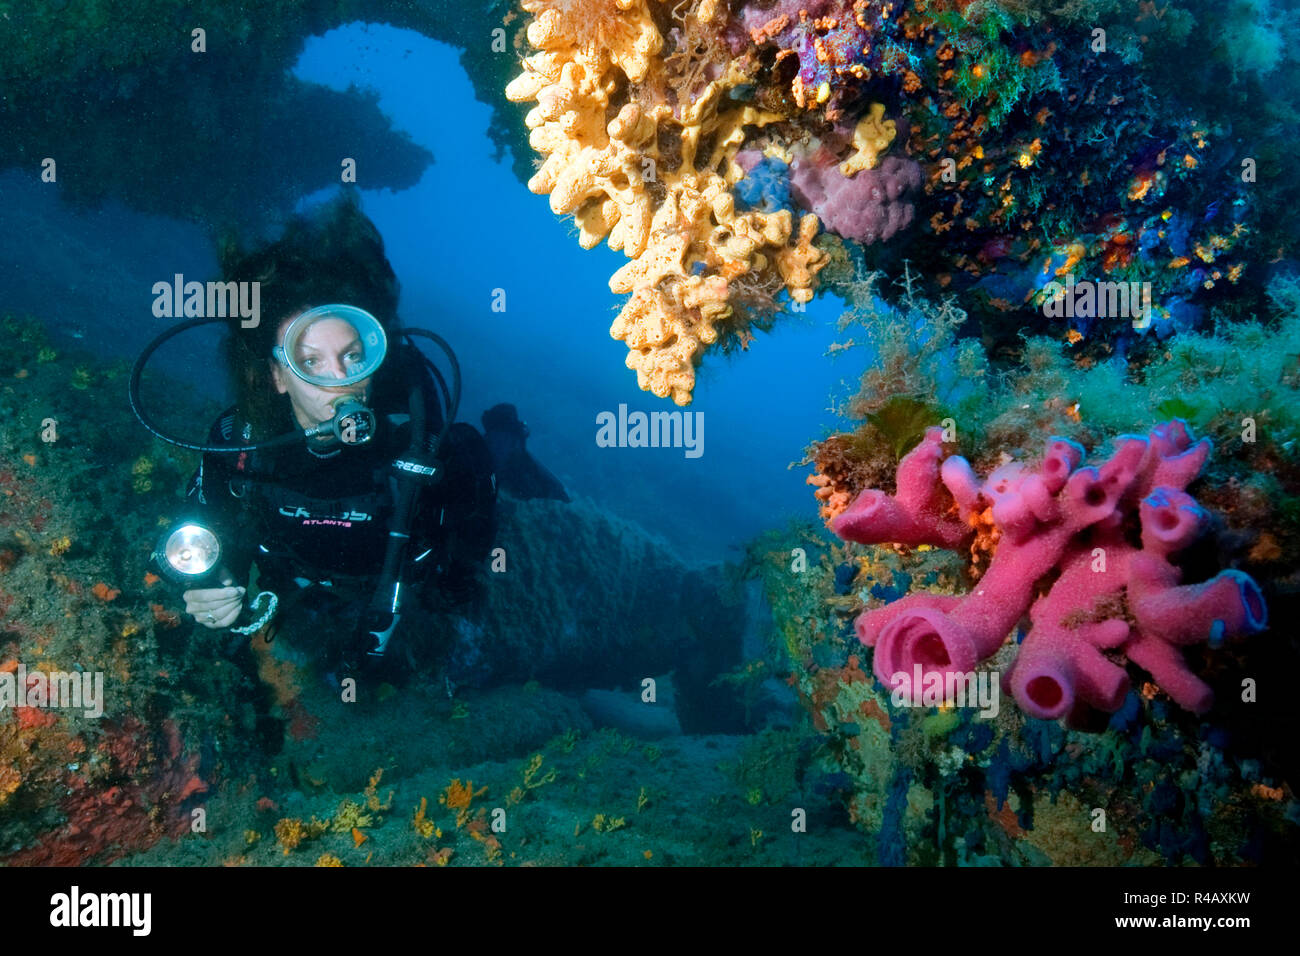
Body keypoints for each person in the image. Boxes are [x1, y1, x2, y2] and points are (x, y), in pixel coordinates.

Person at [173, 195, 497, 677]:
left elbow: (470, 540)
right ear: (277, 377)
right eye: (310, 362)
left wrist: (454, 578)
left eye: (351, 356)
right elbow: (201, 539)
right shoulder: (238, 442)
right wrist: (218, 586)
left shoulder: (422, 441)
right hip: (297, 585)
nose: (339, 381)